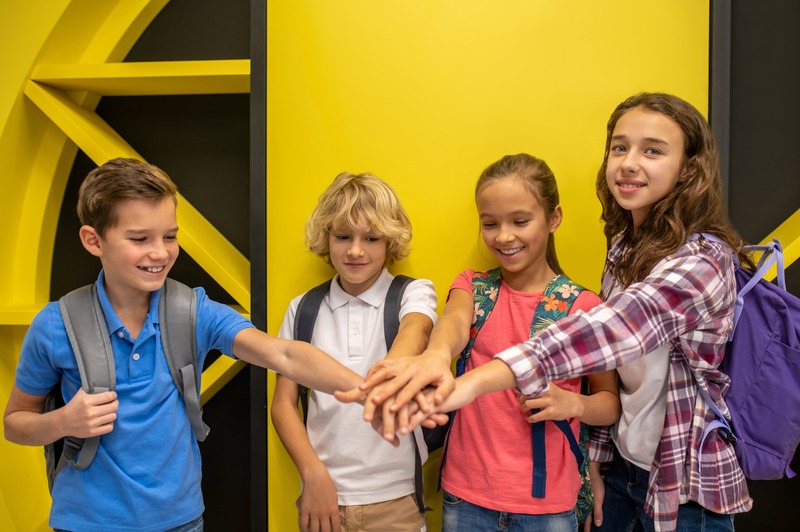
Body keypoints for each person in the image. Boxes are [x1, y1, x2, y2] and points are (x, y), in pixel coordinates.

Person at [347, 93, 755, 532]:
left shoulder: (703, 261)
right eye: (620, 147)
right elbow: (625, 379)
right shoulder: (624, 251)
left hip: (683, 480)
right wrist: (596, 468)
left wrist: (468, 386)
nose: (630, 162)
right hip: (624, 474)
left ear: (690, 168)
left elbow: (612, 334)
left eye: (652, 150)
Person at [3, 158, 366, 532]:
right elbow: (15, 424)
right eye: (140, 239)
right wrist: (63, 421)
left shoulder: (195, 311)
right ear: (93, 240)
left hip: (181, 522)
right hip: (84, 523)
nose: (160, 253)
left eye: (170, 236)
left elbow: (283, 353)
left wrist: (368, 392)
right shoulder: (55, 324)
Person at [395, 153, 620, 531]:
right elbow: (453, 322)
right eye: (490, 223)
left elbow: (609, 404)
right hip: (465, 496)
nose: (503, 236)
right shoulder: (472, 286)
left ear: (554, 219)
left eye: (520, 221)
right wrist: (436, 353)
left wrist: (571, 402)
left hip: (548, 506)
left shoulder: (582, 307)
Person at [271, 172, 438, 532]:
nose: (356, 250)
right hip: (323, 500)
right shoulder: (303, 309)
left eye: (372, 238)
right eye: (343, 236)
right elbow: (283, 404)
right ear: (326, 238)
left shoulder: (413, 293)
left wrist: (390, 369)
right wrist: (313, 475)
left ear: (390, 241)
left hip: (397, 499)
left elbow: (416, 329)